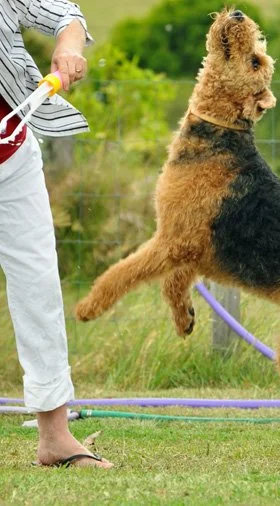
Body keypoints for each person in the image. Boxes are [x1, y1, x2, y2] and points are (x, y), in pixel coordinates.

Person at [0, 0, 112, 468]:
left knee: (39, 286)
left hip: (12, 152)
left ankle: (55, 437)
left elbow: (63, 13)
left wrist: (69, 47)